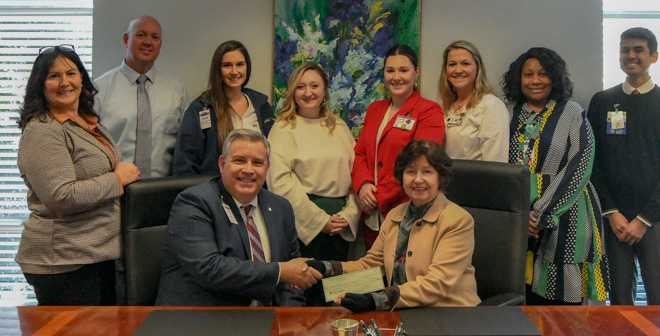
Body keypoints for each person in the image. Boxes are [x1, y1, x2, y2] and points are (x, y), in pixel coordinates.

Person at [16, 45, 140, 305]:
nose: (64, 82)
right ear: (40, 84)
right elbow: (61, 196)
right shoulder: (43, 131)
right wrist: (117, 180)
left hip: (97, 255)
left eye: (71, 73)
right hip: (64, 262)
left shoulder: (88, 122)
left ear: (82, 79)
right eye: (53, 76)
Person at [308, 139, 480, 311]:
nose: (418, 179)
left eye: (427, 172)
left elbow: (437, 284)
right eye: (411, 172)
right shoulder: (395, 215)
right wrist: (326, 268)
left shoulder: (458, 220)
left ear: (440, 178)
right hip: (404, 313)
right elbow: (372, 266)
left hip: (449, 314)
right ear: (402, 176)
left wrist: (376, 300)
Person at [155, 129, 322, 306]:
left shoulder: (281, 207)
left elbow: (294, 279)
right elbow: (210, 269)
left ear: (267, 168)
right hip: (202, 319)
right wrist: (281, 271)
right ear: (222, 164)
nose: (248, 170)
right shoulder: (194, 203)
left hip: (268, 321)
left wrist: (289, 317)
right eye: (239, 160)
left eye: (258, 163)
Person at [501, 47, 608, 305]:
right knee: (519, 304)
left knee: (560, 311)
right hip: (518, 217)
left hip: (566, 215)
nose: (535, 80)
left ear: (555, 78)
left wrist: (541, 213)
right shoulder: (508, 114)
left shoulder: (572, 112)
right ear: (519, 79)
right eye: (528, 74)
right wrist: (518, 214)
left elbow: (580, 164)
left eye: (543, 74)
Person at [588, 28, 660, 305]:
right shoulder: (602, 102)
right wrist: (611, 212)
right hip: (615, 220)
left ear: (653, 56)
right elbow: (594, 162)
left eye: (638, 50)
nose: (630, 55)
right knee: (619, 301)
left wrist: (644, 219)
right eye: (625, 50)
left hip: (655, 220)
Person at [267, 64, 360, 305]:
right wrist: (320, 222)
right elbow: (281, 183)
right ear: (293, 93)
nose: (308, 92)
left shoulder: (338, 127)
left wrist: (348, 215)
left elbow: (355, 176)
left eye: (314, 86)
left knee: (338, 297)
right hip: (304, 227)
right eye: (301, 87)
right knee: (306, 295)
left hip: (340, 227)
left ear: (325, 91)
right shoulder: (283, 129)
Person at [353, 45, 445, 249]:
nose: (396, 77)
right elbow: (360, 153)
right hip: (372, 215)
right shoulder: (374, 110)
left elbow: (420, 163)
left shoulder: (428, 111)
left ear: (416, 73)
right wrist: (363, 185)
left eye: (403, 70)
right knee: (374, 275)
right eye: (390, 70)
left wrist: (378, 196)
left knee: (406, 276)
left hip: (406, 209)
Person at [95, 16, 188, 177]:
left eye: (155, 37)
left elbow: (186, 145)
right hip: (113, 191)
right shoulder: (99, 89)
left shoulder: (176, 90)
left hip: (163, 192)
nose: (148, 42)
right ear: (126, 39)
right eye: (141, 35)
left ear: (160, 44)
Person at [173, 40, 275, 176]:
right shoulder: (201, 109)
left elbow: (274, 154)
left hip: (256, 190)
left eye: (240, 65)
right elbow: (185, 164)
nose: (234, 71)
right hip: (215, 193)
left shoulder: (262, 106)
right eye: (227, 65)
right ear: (218, 70)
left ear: (247, 67)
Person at [438, 40, 509, 161]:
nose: (458, 70)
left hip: (476, 179)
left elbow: (495, 164)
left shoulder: (491, 106)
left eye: (465, 64)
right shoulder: (446, 106)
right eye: (452, 64)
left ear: (477, 68)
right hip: (448, 178)